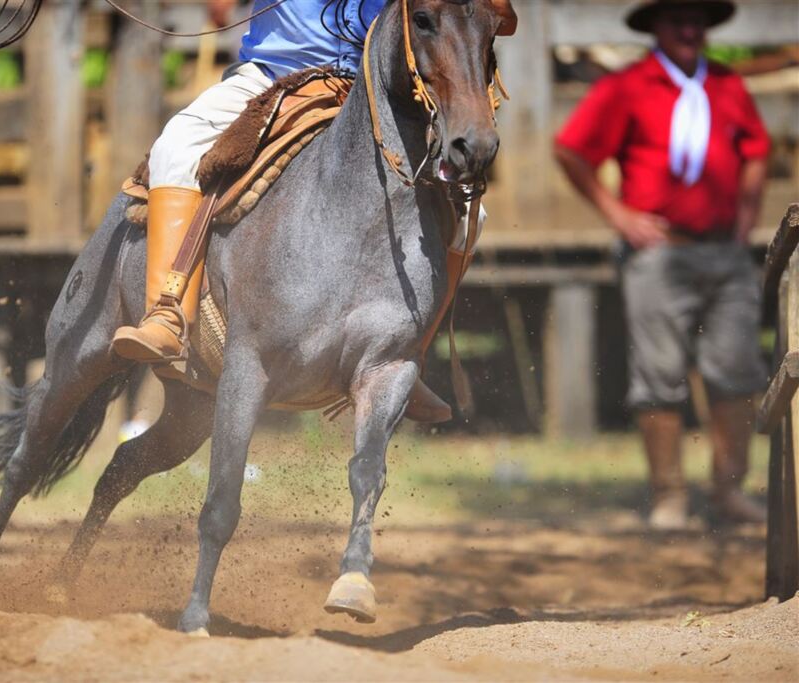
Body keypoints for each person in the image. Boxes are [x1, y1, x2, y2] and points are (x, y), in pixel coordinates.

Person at [111, 0, 517, 423]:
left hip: (372, 90)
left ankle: (406, 357)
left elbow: (498, 17)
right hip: (272, 78)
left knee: (471, 213)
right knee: (175, 147)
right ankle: (168, 314)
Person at [554, 0, 769, 528]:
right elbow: (570, 150)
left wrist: (746, 219)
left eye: (698, 21)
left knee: (737, 370)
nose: (690, 30)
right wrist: (618, 214)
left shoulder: (726, 83)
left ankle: (728, 490)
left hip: (725, 250)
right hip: (659, 252)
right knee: (659, 375)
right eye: (678, 20)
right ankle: (669, 495)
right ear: (656, 27)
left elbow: (757, 150)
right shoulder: (628, 86)